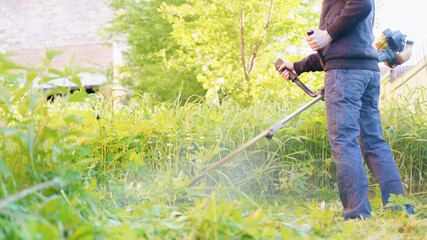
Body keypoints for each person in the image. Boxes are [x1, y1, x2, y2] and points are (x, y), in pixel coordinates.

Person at [277, 0, 414, 220]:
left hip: (345, 74)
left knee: (344, 141)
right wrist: (299, 66)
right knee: (373, 142)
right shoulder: (343, 12)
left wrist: (328, 34)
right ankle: (400, 210)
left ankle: (357, 215)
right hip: (366, 70)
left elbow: (362, 4)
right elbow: (340, 50)